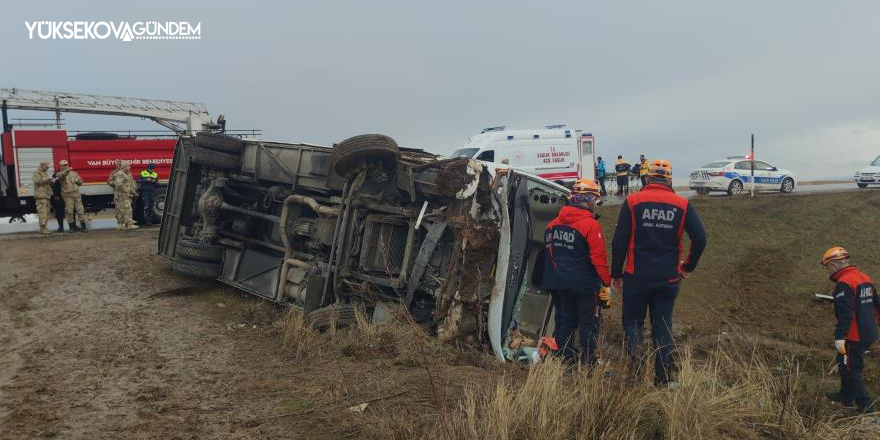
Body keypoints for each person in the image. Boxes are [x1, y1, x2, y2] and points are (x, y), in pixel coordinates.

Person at [610, 159, 706, 386]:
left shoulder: (633, 201)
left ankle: (636, 373)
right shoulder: (682, 204)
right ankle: (663, 380)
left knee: (632, 323)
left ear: (647, 178)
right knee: (662, 325)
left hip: (637, 276)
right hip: (668, 278)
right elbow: (700, 239)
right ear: (669, 179)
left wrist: (616, 274)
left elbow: (619, 242)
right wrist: (687, 267)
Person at [540, 178, 611, 365]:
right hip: (584, 285)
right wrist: (606, 282)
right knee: (588, 325)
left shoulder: (552, 225)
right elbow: (599, 259)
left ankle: (565, 363)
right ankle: (589, 366)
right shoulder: (590, 225)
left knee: (565, 323)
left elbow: (547, 255)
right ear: (590, 200)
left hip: (557, 284)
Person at [821, 247, 878, 412]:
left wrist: (840, 336)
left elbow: (845, 314)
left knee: (851, 368)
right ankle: (845, 396)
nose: (828, 270)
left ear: (832, 264)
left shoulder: (844, 284)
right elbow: (876, 303)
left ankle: (867, 408)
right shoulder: (864, 278)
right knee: (843, 361)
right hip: (869, 332)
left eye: (827, 267)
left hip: (854, 335)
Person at [57, 159, 87, 233]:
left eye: (66, 164)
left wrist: (78, 181)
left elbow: (81, 183)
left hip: (76, 194)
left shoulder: (74, 173)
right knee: (69, 211)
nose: (65, 166)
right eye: (63, 165)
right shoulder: (59, 174)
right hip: (67, 195)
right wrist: (66, 171)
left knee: (80, 210)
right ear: (60, 166)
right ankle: (72, 227)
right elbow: (61, 176)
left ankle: (83, 226)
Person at [109, 161, 139, 230]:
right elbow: (119, 185)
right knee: (126, 209)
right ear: (124, 167)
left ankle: (122, 225)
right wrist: (125, 190)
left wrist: (133, 192)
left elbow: (129, 183)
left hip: (126, 195)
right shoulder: (120, 174)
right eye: (128, 166)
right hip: (122, 195)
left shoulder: (127, 173)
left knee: (123, 209)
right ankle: (128, 224)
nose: (129, 167)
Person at [32, 161, 54, 235]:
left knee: (47, 212)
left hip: (46, 195)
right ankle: (42, 229)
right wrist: (47, 179)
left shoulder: (45, 173)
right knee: (43, 212)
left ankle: (44, 227)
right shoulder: (37, 173)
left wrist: (51, 181)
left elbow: (46, 182)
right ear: (42, 166)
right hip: (41, 196)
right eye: (46, 167)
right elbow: (37, 181)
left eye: (48, 167)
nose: (47, 168)